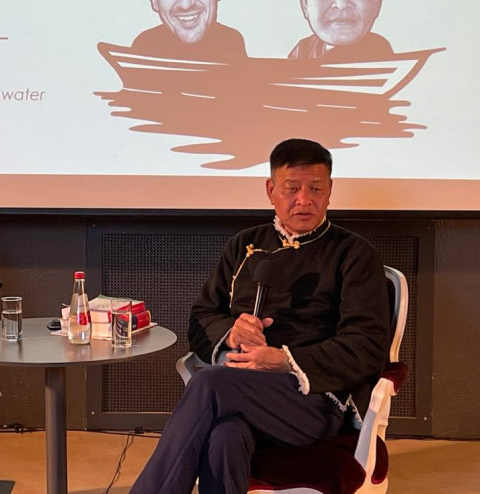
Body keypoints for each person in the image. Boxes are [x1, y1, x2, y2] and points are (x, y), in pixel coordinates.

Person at [132, 138, 390, 494]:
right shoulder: (244, 246)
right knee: (224, 437)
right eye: (292, 188)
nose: (304, 200)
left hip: (313, 401)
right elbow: (202, 318)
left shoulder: (354, 254)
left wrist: (284, 360)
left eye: (315, 189)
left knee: (208, 384)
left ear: (330, 191)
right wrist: (231, 332)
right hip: (239, 390)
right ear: (271, 190)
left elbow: (366, 346)